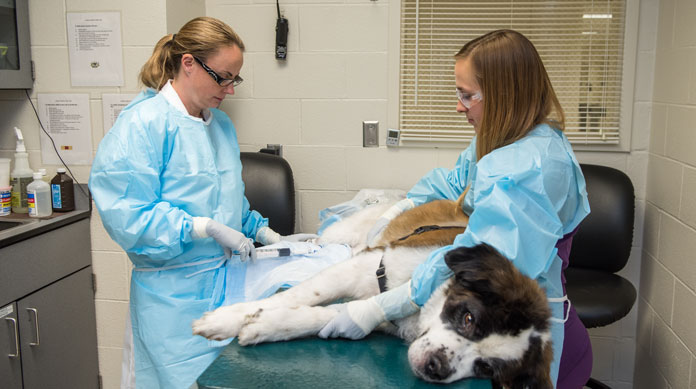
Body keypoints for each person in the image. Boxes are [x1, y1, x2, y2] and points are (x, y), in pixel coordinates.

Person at [318, 29, 592, 387]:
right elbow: (454, 182)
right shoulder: (501, 139)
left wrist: (377, 308)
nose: (458, 105)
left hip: (530, 348)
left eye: (467, 95)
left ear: (503, 95)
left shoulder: (532, 168)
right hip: (493, 332)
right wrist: (402, 206)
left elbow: (474, 260)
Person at [89, 17, 314, 389]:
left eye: (234, 79)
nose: (230, 89)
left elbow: (230, 204)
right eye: (223, 76)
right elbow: (127, 215)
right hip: (170, 301)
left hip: (224, 289)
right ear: (188, 63)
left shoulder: (220, 125)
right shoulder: (142, 125)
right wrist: (199, 226)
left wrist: (268, 234)